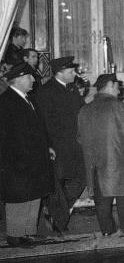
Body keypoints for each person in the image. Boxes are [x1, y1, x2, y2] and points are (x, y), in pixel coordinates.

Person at [77, 73, 124, 236]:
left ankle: (107, 230)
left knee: (102, 199)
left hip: (95, 161)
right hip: (119, 158)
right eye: (117, 87)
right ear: (109, 85)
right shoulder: (117, 106)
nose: (119, 91)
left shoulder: (85, 109)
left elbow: (79, 137)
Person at [0, 63, 54, 247]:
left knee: (33, 195)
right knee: (19, 198)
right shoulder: (6, 102)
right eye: (30, 77)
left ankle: (28, 232)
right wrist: (18, 158)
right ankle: (15, 235)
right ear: (19, 79)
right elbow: (6, 135)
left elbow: (39, 128)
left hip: (35, 158)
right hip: (18, 161)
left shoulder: (29, 99)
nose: (33, 80)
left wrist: (48, 146)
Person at [34, 56, 87, 232]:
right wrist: (48, 145)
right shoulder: (46, 91)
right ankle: (59, 222)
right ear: (59, 73)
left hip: (76, 145)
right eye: (71, 72)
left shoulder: (72, 89)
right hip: (57, 147)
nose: (74, 74)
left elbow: (82, 112)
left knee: (81, 179)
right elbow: (44, 122)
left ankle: (54, 211)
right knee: (58, 183)